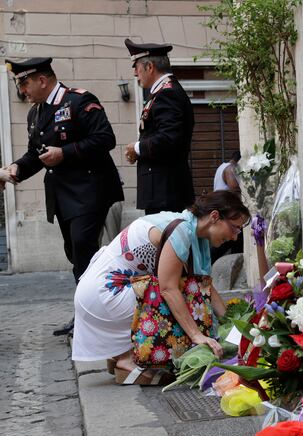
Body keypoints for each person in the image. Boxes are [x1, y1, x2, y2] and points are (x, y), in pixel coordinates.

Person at [71, 191, 250, 385]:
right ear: (215, 216)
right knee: (183, 293)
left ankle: (120, 353)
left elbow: (205, 286)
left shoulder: (187, 226)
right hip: (105, 295)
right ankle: (126, 360)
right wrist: (197, 336)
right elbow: (168, 289)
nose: (234, 237)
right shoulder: (181, 231)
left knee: (192, 290)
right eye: (234, 228)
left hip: (99, 292)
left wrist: (234, 327)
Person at [1, 57, 124, 336]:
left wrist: (64, 153)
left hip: (90, 191)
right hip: (63, 198)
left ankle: (94, 317)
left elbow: (106, 138)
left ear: (42, 80)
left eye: (25, 83)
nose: (22, 91)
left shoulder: (79, 101)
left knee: (84, 249)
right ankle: (87, 312)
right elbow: (37, 154)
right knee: (76, 254)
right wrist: (16, 169)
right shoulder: (36, 113)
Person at [123, 39, 195, 215]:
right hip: (163, 190)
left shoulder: (167, 93)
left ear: (149, 67)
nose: (135, 73)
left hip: (166, 190)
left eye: (137, 67)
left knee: (166, 241)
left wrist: (137, 148)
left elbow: (170, 138)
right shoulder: (161, 92)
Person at [210, 151, 244, 263]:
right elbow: (235, 190)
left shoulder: (222, 166)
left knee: (235, 243)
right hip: (226, 215)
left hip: (224, 213)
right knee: (222, 244)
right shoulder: (230, 168)